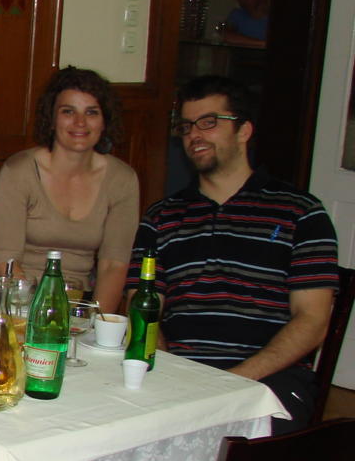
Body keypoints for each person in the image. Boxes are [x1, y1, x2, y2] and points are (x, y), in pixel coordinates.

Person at [128, 75, 338, 434]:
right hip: (180, 373)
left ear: (244, 131)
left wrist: (233, 381)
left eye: (209, 122)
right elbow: (142, 305)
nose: (195, 135)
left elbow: (313, 320)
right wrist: (169, 370)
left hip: (268, 379)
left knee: (222, 440)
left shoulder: (301, 212)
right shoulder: (162, 217)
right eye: (187, 126)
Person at [0, 66, 139, 314]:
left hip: (76, 302)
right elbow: (6, 261)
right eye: (68, 111)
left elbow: (113, 266)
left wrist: (95, 322)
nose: (80, 122)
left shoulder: (122, 179)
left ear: (105, 121)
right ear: (52, 118)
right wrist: (41, 318)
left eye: (91, 112)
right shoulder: (19, 170)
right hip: (11, 301)